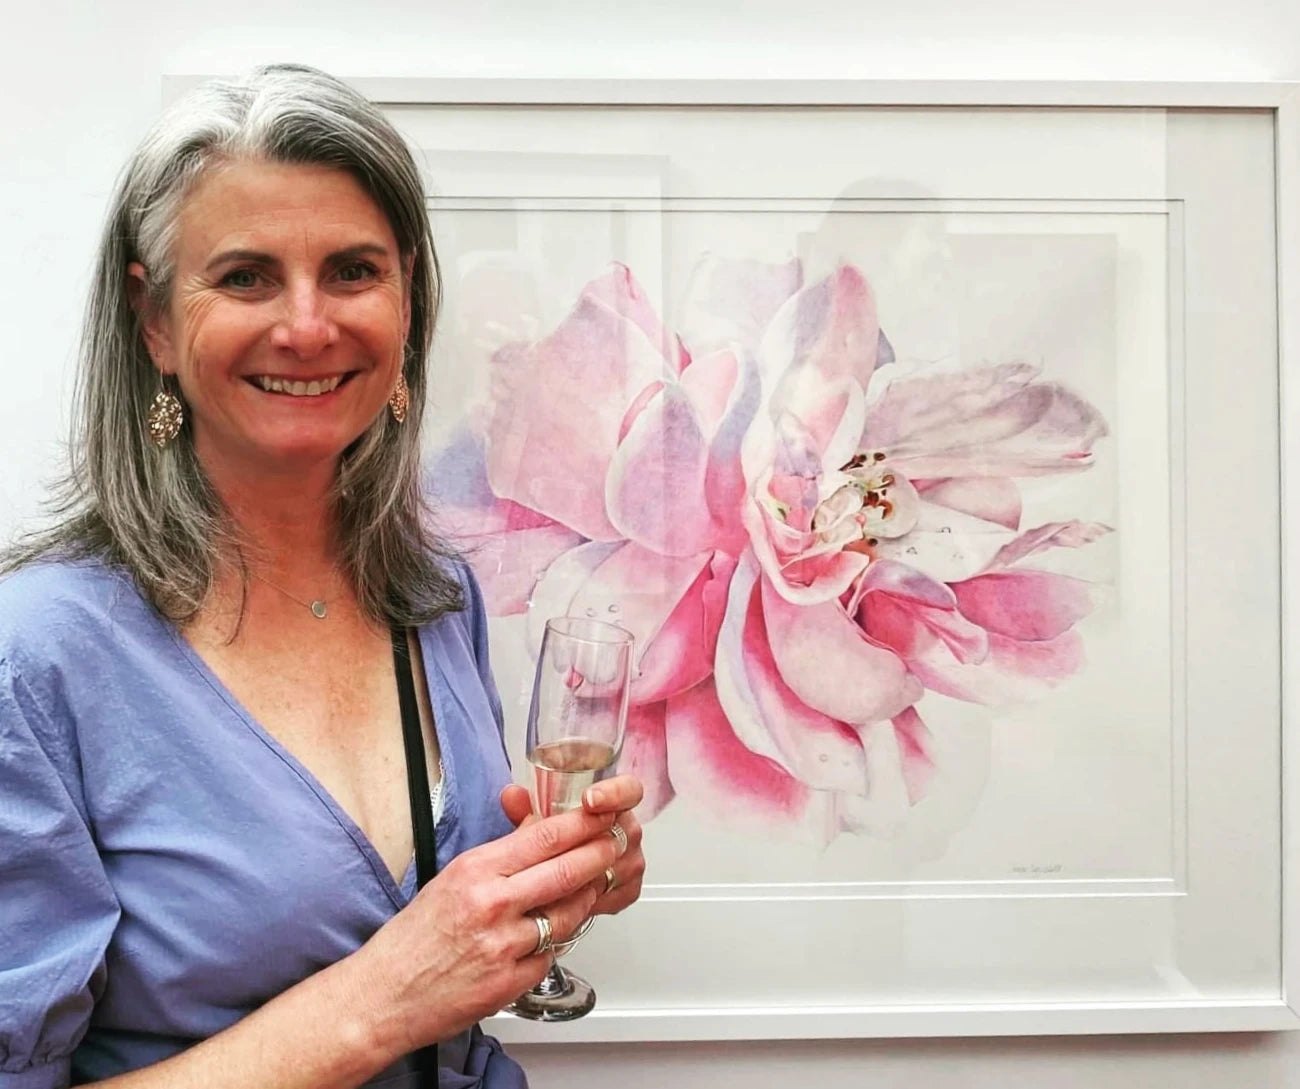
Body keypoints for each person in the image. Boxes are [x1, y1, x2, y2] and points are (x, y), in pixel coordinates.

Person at [0, 64, 646, 1089]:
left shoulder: (435, 591)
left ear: (407, 302)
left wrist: (564, 883)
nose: (307, 326)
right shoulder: (32, 661)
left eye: (352, 270)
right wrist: (383, 998)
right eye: (246, 276)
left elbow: (455, 942)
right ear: (155, 321)